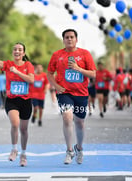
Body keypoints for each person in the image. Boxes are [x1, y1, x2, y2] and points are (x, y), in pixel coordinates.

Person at [47, 29, 96, 164]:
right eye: (67, 37)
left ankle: (79, 148)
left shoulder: (85, 54)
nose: (69, 39)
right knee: (67, 117)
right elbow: (49, 73)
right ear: (63, 40)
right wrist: (56, 86)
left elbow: (93, 74)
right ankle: (69, 151)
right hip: (64, 93)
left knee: (79, 122)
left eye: (71, 37)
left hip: (81, 94)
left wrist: (78, 68)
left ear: (76, 39)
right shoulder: (57, 55)